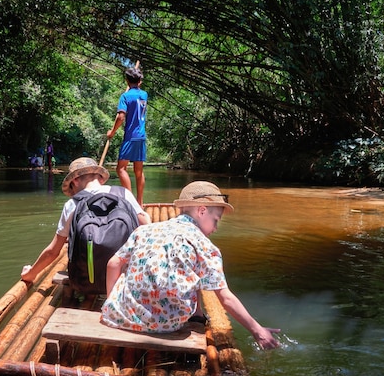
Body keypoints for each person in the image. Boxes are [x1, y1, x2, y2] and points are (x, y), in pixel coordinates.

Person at [101, 181, 281, 350]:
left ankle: (120, 305)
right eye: (216, 221)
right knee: (194, 272)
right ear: (202, 211)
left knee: (127, 266)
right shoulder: (205, 246)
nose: (216, 228)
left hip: (120, 317)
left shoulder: (144, 230)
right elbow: (225, 298)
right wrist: (257, 330)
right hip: (167, 325)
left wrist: (112, 302)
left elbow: (112, 264)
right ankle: (197, 313)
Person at [21, 157, 151, 285]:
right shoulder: (123, 193)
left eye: (72, 188)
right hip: (125, 279)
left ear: (75, 180)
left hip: (85, 282)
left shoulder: (72, 204)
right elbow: (146, 225)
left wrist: (30, 273)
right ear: (100, 178)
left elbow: (53, 252)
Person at [107, 67, 148, 205]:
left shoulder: (125, 96)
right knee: (139, 171)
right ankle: (140, 202)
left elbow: (121, 117)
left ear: (126, 80)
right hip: (141, 136)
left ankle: (130, 202)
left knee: (120, 169)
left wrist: (112, 132)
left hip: (130, 136)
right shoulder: (144, 95)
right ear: (140, 81)